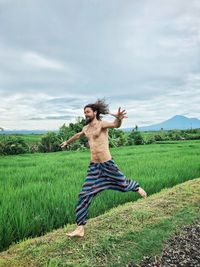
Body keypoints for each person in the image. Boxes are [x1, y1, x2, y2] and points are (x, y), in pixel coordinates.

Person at [60, 99, 147, 237]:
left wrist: (119, 119)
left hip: (108, 164)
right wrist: (67, 142)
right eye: (84, 112)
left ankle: (135, 186)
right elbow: (78, 135)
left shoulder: (101, 125)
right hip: (94, 167)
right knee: (84, 194)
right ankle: (80, 228)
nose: (86, 114)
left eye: (88, 112)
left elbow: (115, 125)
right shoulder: (86, 129)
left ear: (95, 112)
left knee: (123, 184)